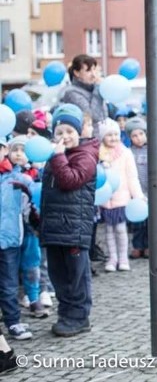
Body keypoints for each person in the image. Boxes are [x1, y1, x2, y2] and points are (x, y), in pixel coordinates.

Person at [40, 104, 99, 337]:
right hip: (55, 227)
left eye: (69, 132)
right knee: (59, 274)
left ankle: (79, 317)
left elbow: (69, 180)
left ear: (79, 132)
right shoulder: (58, 156)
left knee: (76, 276)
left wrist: (57, 157)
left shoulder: (85, 155)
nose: (64, 137)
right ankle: (66, 313)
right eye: (59, 132)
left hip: (74, 228)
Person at [98, 119, 145, 272]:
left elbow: (132, 176)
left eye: (116, 134)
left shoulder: (125, 153)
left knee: (120, 229)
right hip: (105, 199)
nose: (113, 138)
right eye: (109, 135)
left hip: (121, 198)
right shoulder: (99, 153)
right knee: (108, 231)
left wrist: (137, 195)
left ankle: (123, 257)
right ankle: (112, 257)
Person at [0, 137, 34, 340]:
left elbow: (34, 199)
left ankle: (13, 321)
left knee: (9, 284)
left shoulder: (18, 178)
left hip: (10, 238)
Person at [58, 54, 108, 128]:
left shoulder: (95, 89)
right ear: (77, 73)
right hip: (88, 137)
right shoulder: (71, 93)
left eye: (94, 69)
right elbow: (94, 117)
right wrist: (97, 89)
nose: (94, 75)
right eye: (88, 71)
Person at [125, 117, 149, 260]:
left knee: (150, 223)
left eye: (141, 134)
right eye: (134, 136)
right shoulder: (129, 152)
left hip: (150, 190)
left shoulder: (151, 150)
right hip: (136, 192)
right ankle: (137, 245)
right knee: (138, 222)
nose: (138, 138)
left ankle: (148, 245)